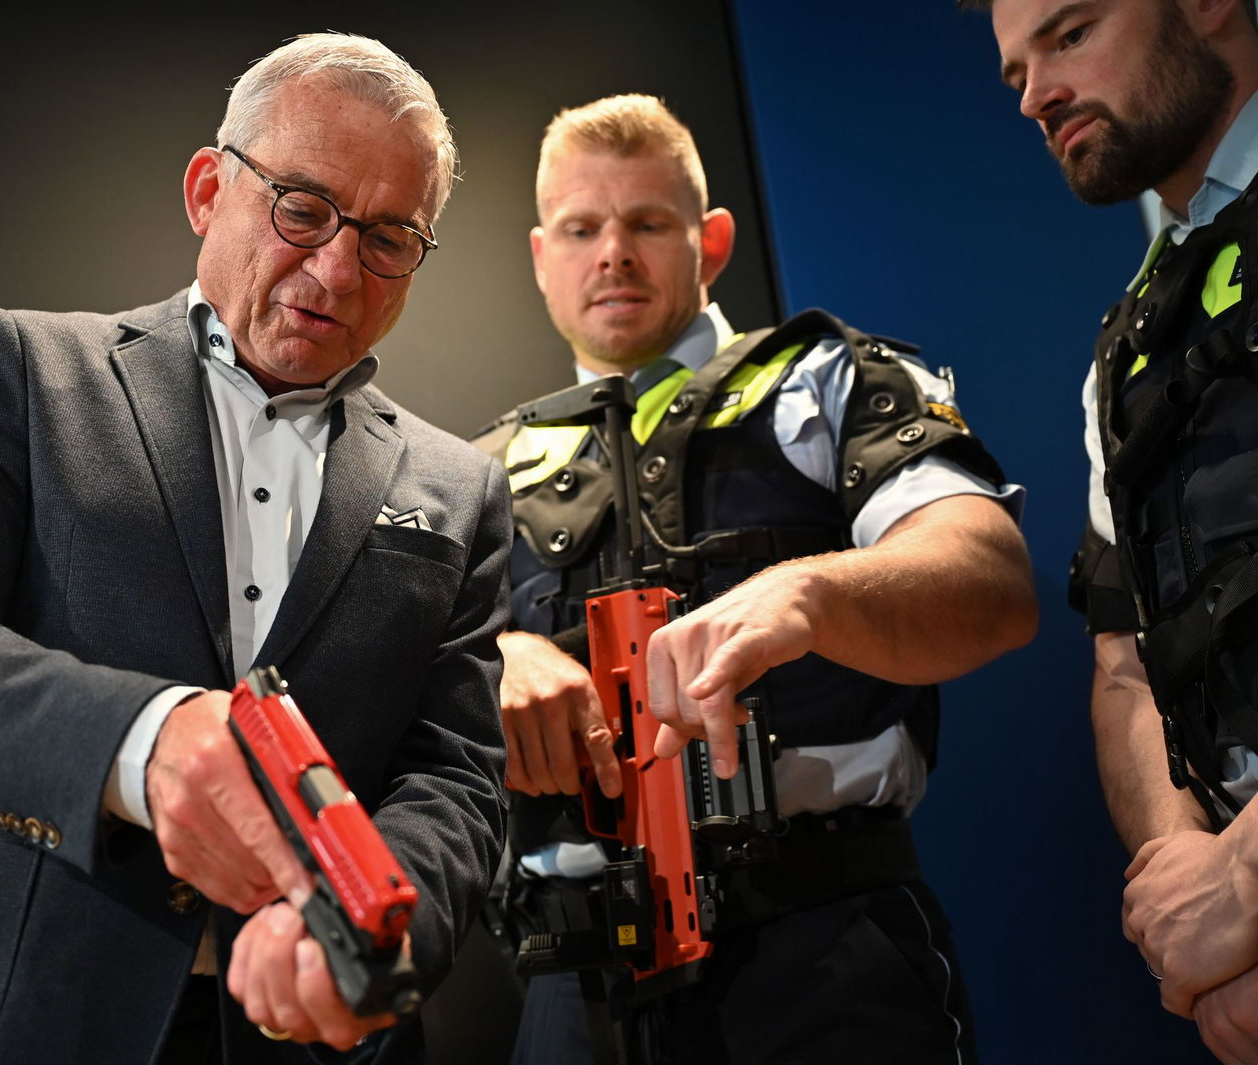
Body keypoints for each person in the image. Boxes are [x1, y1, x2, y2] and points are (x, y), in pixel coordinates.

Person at [0, 33, 510, 1065]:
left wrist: (369, 929)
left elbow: (454, 780)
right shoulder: (29, 368)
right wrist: (141, 743)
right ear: (206, 190)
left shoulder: (460, 488)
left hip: (299, 1032)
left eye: (388, 238)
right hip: (9, 1013)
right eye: (304, 208)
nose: (336, 266)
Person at [476, 94, 1037, 1064]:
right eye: (581, 228)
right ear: (539, 255)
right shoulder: (469, 474)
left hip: (821, 951)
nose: (612, 252)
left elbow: (990, 579)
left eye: (647, 222)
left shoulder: (827, 380)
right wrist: (495, 656)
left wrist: (807, 594)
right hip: (569, 987)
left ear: (713, 240)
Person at [974, 0, 1258, 1058]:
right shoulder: (1124, 351)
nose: (1037, 95)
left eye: (1070, 32)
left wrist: (1241, 888)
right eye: (1014, 75)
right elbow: (1125, 666)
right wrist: (1192, 919)